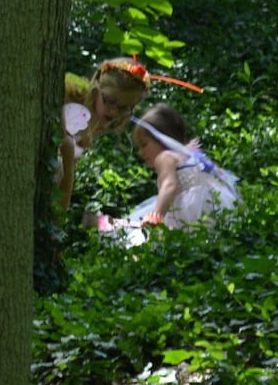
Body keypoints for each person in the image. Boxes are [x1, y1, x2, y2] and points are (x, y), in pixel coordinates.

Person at [91, 103, 240, 246]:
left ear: (162, 139)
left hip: (188, 209)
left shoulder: (165, 157)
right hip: (210, 204)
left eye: (144, 144)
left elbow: (170, 185)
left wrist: (156, 215)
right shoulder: (186, 155)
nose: (141, 153)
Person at [58, 56, 153, 214]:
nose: (115, 111)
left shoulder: (95, 123)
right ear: (97, 87)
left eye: (124, 108)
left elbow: (68, 173)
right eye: (109, 101)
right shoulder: (73, 101)